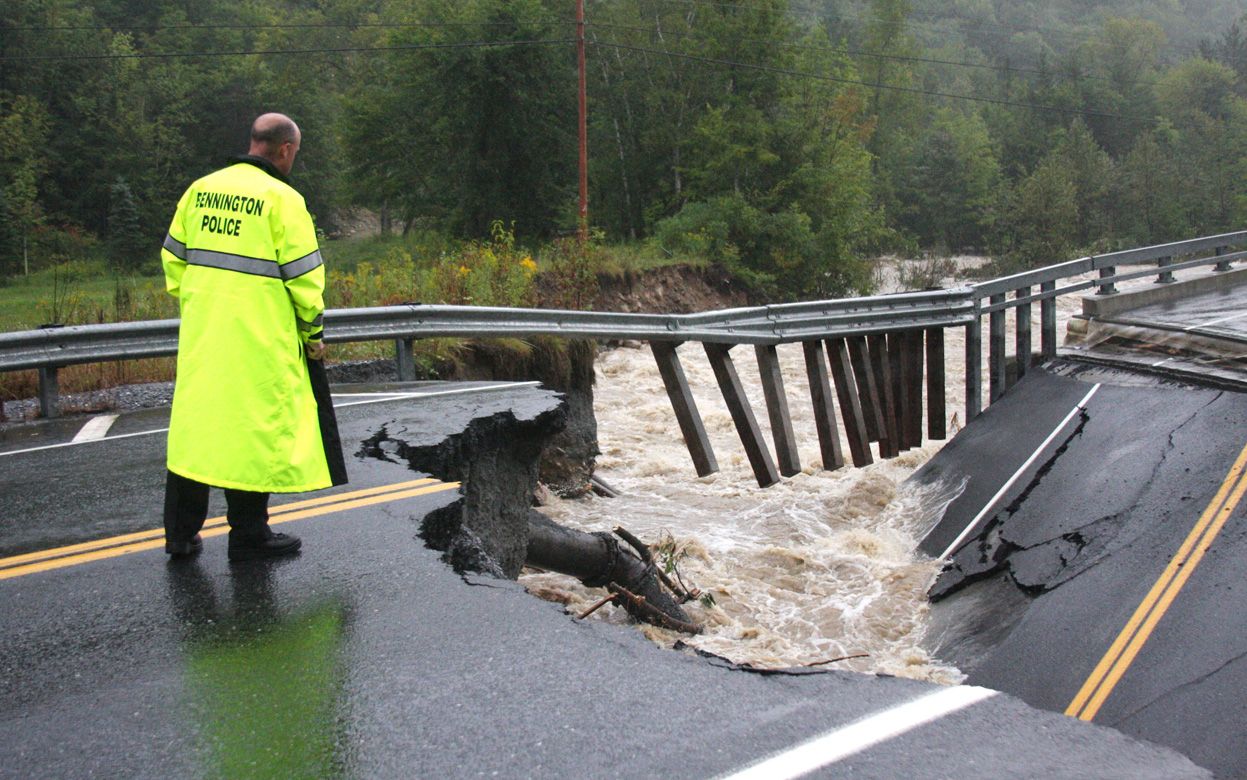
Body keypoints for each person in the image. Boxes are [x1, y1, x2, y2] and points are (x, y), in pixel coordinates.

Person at [160, 113, 347, 562]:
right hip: (260, 342)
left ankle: (180, 536)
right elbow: (306, 281)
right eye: (295, 153)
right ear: (285, 149)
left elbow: (173, 262)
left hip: (206, 339)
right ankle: (248, 532)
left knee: (196, 434)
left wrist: (206, 307)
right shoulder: (282, 199)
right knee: (251, 434)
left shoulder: (200, 189)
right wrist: (313, 334)